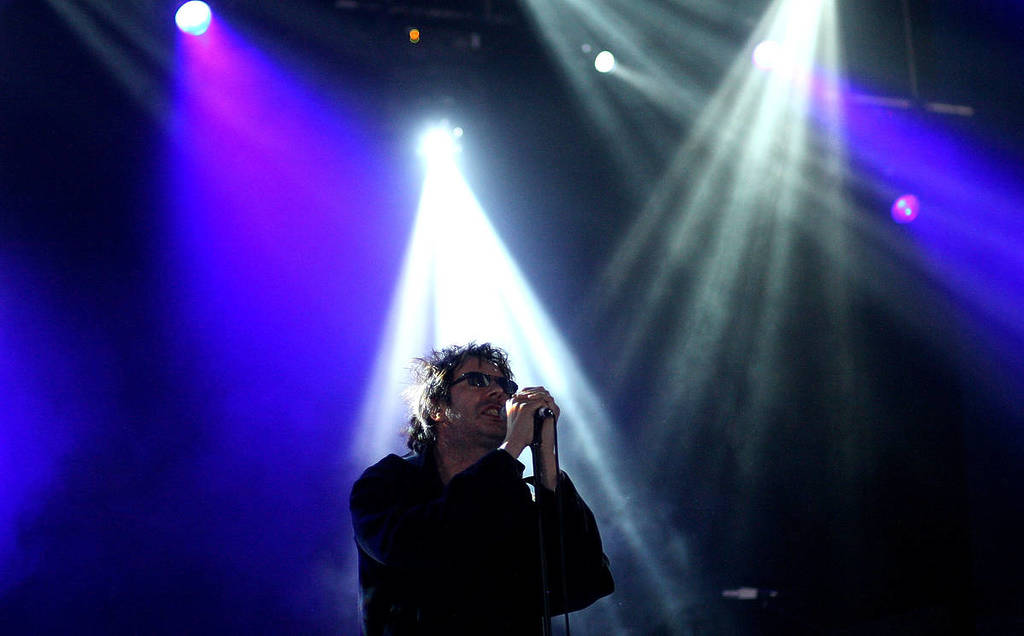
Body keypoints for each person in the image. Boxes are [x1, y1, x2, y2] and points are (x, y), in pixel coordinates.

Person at [350, 342, 614, 635]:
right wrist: (511, 448)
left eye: (505, 385)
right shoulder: (386, 482)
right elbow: (415, 547)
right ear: (436, 407)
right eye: (478, 380)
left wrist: (546, 463)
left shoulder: (513, 495)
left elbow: (586, 581)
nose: (499, 392)